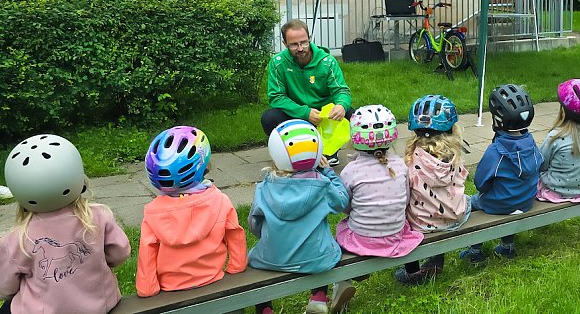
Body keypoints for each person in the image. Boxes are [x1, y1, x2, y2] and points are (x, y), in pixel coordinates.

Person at [0, 134, 131, 314]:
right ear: (78, 180)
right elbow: (120, 253)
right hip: (101, 306)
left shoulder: (17, 239)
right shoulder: (98, 217)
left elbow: (5, 287)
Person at [249, 119, 349, 314]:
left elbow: (254, 224)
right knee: (324, 250)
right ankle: (318, 298)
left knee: (252, 266)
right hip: (316, 258)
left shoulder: (265, 185)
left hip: (270, 257)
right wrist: (328, 172)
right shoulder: (323, 184)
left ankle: (265, 309)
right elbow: (342, 202)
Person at [136, 126, 247, 298]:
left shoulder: (153, 213)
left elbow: (147, 252)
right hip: (212, 277)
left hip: (171, 287)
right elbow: (235, 234)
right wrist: (236, 266)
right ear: (203, 165)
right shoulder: (219, 200)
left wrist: (147, 289)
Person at [334, 105, 422, 313]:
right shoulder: (400, 166)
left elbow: (345, 207)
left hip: (362, 238)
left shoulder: (350, 171)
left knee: (343, 228)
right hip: (393, 236)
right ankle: (413, 272)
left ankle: (346, 278)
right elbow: (405, 200)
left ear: (355, 138)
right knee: (407, 224)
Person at [460, 84, 542, 262]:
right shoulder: (531, 143)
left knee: (473, 202)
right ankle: (507, 246)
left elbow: (480, 183)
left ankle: (475, 251)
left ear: (497, 120)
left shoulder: (495, 151)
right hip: (526, 201)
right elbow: (539, 164)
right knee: (510, 201)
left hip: (501, 204)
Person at [396, 95, 470, 285]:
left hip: (421, 225)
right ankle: (436, 259)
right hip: (455, 218)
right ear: (452, 129)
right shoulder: (455, 157)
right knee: (458, 202)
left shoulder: (410, 162)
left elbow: (404, 198)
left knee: (404, 221)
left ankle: (412, 274)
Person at [261, 19, 352, 165]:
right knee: (269, 118)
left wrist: (341, 105)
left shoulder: (327, 61)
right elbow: (276, 97)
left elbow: (341, 90)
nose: (300, 48)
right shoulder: (277, 63)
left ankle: (330, 149)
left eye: (304, 42)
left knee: (353, 114)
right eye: (294, 45)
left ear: (310, 39)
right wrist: (305, 112)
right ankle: (291, 152)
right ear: (285, 44)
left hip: (325, 116)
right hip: (295, 114)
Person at [537, 79, 580, 237]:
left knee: (533, 176)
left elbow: (541, 163)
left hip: (555, 191)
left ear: (563, 110)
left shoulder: (555, 136)